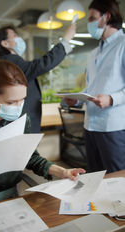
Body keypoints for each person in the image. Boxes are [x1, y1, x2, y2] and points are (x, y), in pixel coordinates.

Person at [0, 60, 85, 206]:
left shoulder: (21, 119)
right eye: (11, 102)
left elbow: (31, 158)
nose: (18, 107)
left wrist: (62, 172)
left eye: (22, 100)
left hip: (13, 195)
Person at [65, 0, 125, 174]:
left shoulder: (122, 45)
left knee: (117, 181)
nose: (89, 23)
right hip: (90, 126)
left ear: (106, 17)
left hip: (112, 127)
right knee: (94, 178)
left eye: (92, 18)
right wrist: (76, 99)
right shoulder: (94, 53)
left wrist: (112, 98)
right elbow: (91, 88)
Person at [0, 23, 76, 133]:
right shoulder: (11, 62)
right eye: (15, 35)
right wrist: (65, 40)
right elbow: (41, 65)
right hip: (23, 124)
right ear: (5, 43)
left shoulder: (3, 62)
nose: (19, 38)